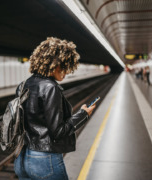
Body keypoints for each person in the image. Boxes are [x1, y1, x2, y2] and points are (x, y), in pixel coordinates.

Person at [14, 37, 96, 180]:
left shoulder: (23, 85)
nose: (66, 71)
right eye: (63, 66)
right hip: (44, 159)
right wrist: (83, 115)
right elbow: (58, 131)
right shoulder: (50, 88)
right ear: (53, 64)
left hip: (22, 157)